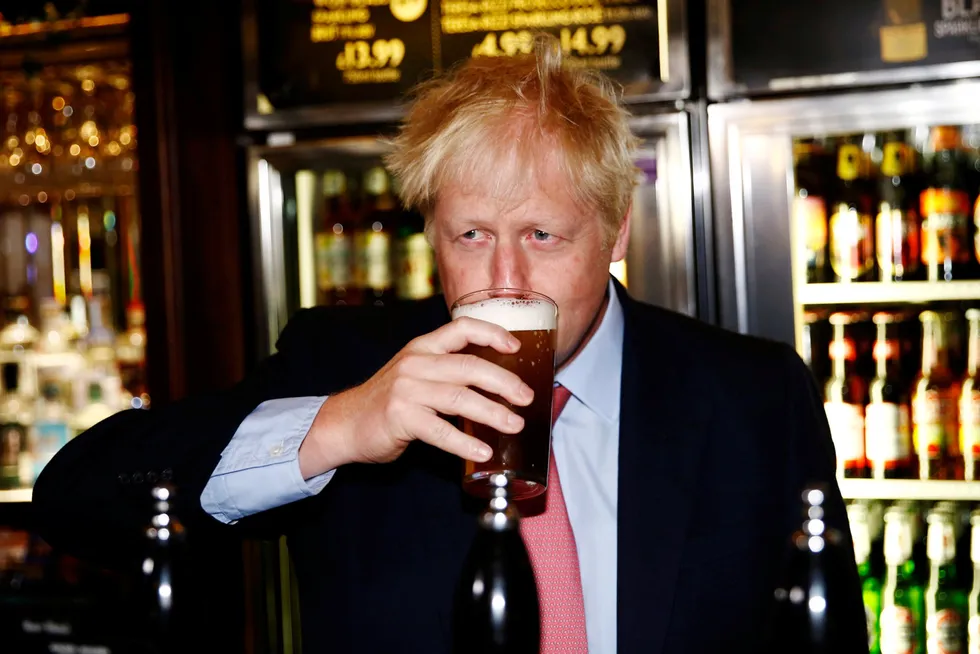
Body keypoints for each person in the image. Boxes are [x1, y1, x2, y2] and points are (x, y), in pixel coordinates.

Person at [33, 35, 868, 653]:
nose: (505, 279)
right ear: (430, 233)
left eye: (543, 234)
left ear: (617, 232)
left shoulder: (753, 395)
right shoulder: (348, 363)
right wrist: (343, 425)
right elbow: (75, 497)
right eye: (471, 234)